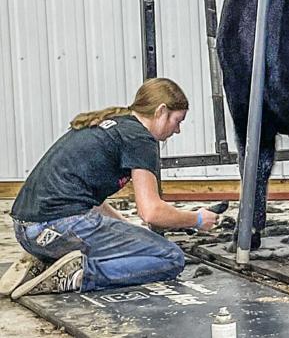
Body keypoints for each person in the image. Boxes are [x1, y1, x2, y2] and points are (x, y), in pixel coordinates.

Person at [0, 78, 220, 299]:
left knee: (139, 243)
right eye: (177, 120)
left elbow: (91, 199)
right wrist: (197, 219)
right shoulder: (140, 138)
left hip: (27, 232)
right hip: (60, 227)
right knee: (170, 257)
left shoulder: (112, 125)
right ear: (161, 111)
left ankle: (47, 260)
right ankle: (78, 275)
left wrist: (126, 227)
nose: (178, 130)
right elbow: (151, 212)